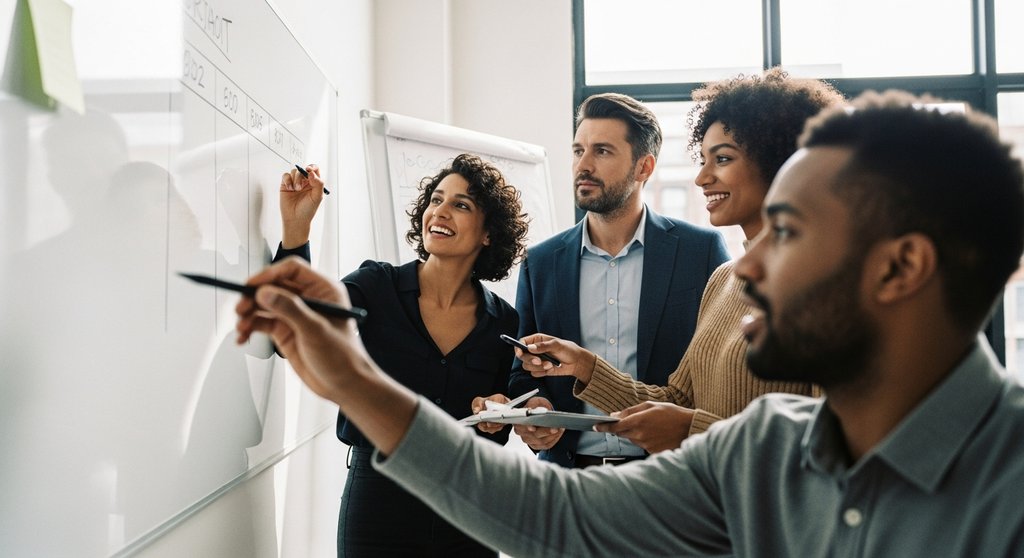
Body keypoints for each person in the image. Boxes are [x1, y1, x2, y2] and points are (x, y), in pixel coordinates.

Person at [236, 91, 1024, 556]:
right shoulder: (763, 450)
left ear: (900, 267)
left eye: (788, 234)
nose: (747, 267)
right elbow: (552, 515)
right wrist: (348, 376)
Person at [518, 69, 843, 454]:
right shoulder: (725, 280)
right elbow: (679, 398)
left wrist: (693, 430)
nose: (701, 177)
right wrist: (586, 366)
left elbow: (834, 443)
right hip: (705, 506)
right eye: (703, 159)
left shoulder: (831, 287)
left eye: (722, 158)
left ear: (783, 162)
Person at [273, 154, 529, 557]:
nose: (440, 211)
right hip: (378, 500)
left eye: (461, 205)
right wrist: (296, 232)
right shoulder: (376, 286)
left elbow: (499, 419)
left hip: (468, 505)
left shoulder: (504, 322)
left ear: (488, 234)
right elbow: (294, 329)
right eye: (436, 199)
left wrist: (498, 414)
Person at [508, 92, 730, 468]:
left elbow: (719, 374)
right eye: (578, 151)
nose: (584, 165)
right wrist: (534, 408)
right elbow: (521, 370)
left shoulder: (701, 252)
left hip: (670, 475)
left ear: (644, 167)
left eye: (603, 151)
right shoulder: (541, 262)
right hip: (568, 476)